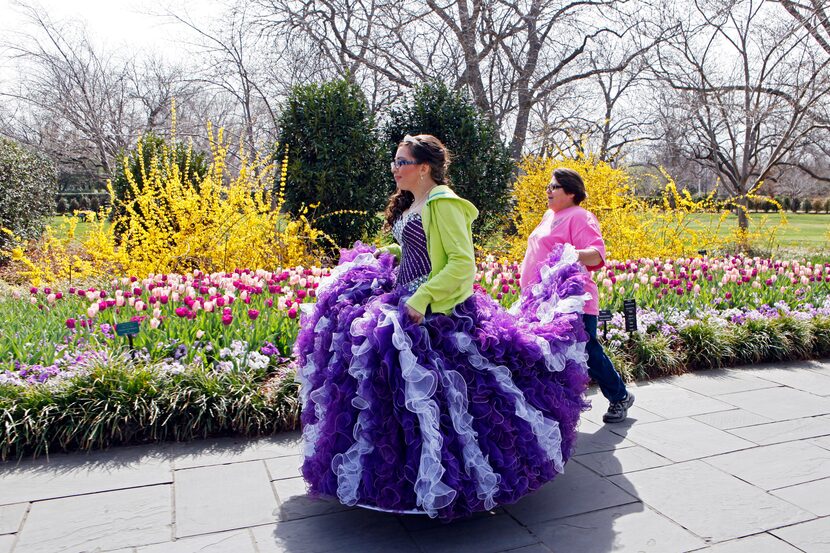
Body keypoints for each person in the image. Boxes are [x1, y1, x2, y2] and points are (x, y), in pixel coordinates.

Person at [294, 134, 592, 521]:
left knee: (450, 405)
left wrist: (423, 299)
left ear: (424, 167)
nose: (394, 168)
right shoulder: (415, 203)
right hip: (406, 301)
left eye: (402, 162)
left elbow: (460, 265)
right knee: (397, 400)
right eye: (395, 161)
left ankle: (452, 482)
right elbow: (424, 251)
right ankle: (407, 483)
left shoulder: (444, 202)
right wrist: (394, 253)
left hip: (437, 312)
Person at [519, 167, 634, 423]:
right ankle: (553, 409)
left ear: (570, 192)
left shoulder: (580, 216)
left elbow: (596, 254)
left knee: (586, 351)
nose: (547, 191)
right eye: (548, 186)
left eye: (553, 187)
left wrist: (569, 253)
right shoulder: (550, 215)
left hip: (572, 300)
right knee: (549, 354)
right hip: (542, 301)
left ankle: (619, 396)